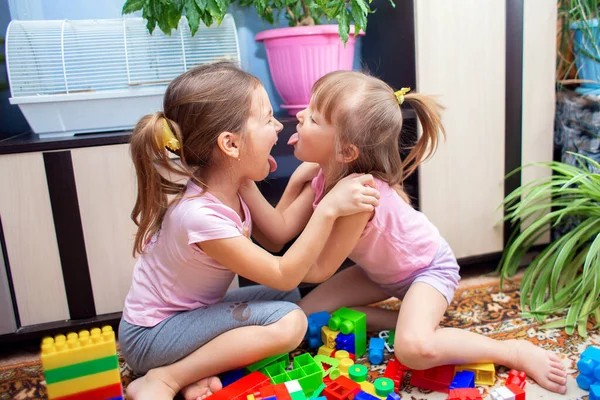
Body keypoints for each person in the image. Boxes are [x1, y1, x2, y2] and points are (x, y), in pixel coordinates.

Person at [240, 70, 568, 395]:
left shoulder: (359, 194)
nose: (299, 116)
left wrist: (325, 209)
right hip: (380, 273)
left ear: (345, 151)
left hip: (428, 271)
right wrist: (253, 178)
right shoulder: (322, 174)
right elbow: (277, 233)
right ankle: (406, 320)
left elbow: (315, 270)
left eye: (312, 118)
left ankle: (512, 350)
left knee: (413, 350)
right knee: (307, 317)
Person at [119, 63, 381, 400]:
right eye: (268, 119)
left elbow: (275, 234)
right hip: (151, 338)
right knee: (290, 322)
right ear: (230, 144)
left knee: (290, 301)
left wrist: (311, 182)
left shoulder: (235, 182)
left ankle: (198, 370)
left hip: (186, 319)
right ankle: (165, 378)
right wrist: (330, 209)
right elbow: (283, 272)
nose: (277, 127)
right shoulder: (199, 215)